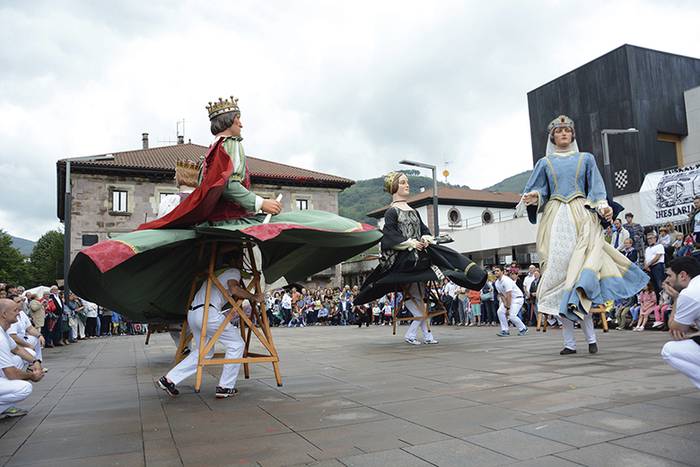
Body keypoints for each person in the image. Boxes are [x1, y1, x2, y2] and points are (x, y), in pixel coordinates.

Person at [519, 115, 647, 354]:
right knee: (559, 279)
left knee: (580, 279)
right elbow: (538, 189)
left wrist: (603, 207)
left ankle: (590, 339)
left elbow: (597, 189)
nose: (564, 133)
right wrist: (533, 197)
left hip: (581, 215)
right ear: (553, 136)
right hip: (555, 218)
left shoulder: (586, 159)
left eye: (568, 130)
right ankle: (569, 343)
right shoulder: (545, 163)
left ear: (572, 134)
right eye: (559, 131)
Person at [354, 172, 487, 345]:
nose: (406, 185)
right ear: (394, 187)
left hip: (418, 257)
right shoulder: (391, 212)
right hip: (403, 260)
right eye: (402, 182)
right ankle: (416, 334)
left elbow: (424, 230)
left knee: (419, 295)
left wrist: (425, 239)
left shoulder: (414, 211)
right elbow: (389, 236)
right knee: (416, 296)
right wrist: (409, 243)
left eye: (406, 182)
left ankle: (424, 334)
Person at [158, 250, 263, 398]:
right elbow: (234, 288)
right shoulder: (233, 271)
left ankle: (169, 379)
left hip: (194, 313)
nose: (241, 262)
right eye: (240, 259)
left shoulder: (216, 274)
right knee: (237, 344)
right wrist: (254, 297)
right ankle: (225, 387)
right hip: (208, 314)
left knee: (205, 352)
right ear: (234, 260)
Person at [660, 257, 700, 388]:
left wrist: (677, 298)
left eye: (669, 275)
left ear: (682, 275)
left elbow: (676, 329)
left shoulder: (689, 293)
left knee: (669, 350)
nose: (667, 280)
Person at [0, 299, 43, 419]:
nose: (19, 313)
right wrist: (32, 376)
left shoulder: (2, 332)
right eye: (15, 310)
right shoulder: (1, 338)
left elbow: (17, 350)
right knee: (24, 388)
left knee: (29, 352)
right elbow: (12, 373)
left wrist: (35, 362)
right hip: (8, 372)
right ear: (4, 314)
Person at [493, 266, 528, 337]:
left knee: (511, 316)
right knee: (500, 312)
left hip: (517, 298)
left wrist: (508, 309)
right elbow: (501, 295)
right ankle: (505, 330)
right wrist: (505, 305)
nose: (496, 272)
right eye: (495, 271)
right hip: (508, 299)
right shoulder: (497, 283)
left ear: (502, 272)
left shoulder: (506, 280)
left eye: (497, 271)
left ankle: (523, 328)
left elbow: (509, 295)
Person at [645, 231, 666, 296]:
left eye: (651, 238)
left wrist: (648, 264)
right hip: (649, 268)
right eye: (648, 239)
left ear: (655, 238)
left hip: (657, 266)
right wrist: (646, 266)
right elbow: (646, 258)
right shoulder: (647, 248)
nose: (650, 240)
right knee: (654, 286)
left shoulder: (659, 246)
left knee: (660, 284)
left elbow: (657, 257)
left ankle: (664, 300)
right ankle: (657, 301)